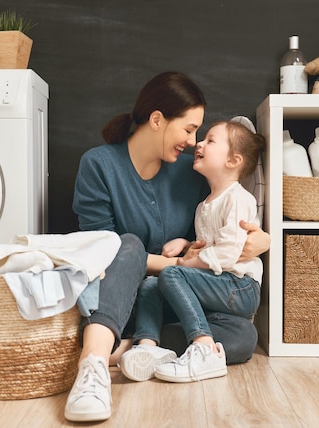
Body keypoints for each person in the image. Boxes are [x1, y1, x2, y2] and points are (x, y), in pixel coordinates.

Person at [66, 71, 270, 422]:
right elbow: (100, 250)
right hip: (120, 300)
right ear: (158, 120)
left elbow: (220, 227)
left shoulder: (192, 172)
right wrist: (174, 267)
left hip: (175, 301)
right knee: (124, 245)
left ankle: (135, 349)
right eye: (189, 129)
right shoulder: (99, 165)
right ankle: (94, 367)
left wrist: (260, 240)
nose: (193, 142)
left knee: (242, 337)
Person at [119, 120, 265, 383]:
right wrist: (186, 245)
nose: (198, 143)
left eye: (210, 140)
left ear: (232, 160)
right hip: (216, 291)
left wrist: (187, 264)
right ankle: (148, 347)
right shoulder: (204, 206)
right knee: (152, 285)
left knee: (172, 274)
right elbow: (212, 245)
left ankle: (204, 348)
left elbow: (228, 252)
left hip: (239, 286)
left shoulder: (238, 198)